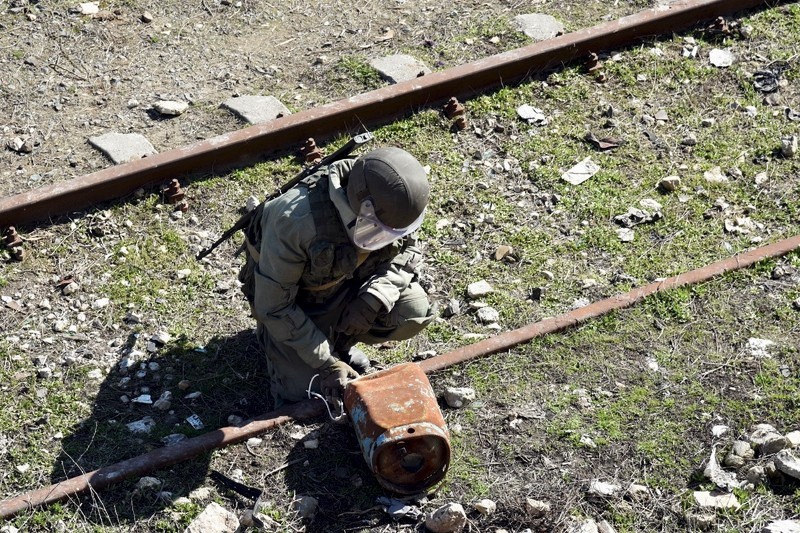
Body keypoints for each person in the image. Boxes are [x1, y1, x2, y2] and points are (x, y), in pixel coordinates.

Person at [238, 146, 436, 406]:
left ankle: (341, 341)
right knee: (308, 394)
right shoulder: (295, 221)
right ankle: (292, 347)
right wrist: (327, 363)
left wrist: (373, 298)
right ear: (361, 206)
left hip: (348, 287)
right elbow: (274, 306)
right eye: (381, 231)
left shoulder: (393, 204)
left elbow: (409, 251)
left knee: (413, 310)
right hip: (298, 306)